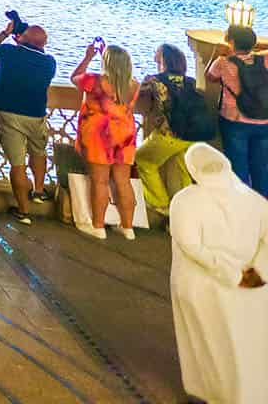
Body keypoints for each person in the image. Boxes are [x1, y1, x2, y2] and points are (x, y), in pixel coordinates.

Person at [167, 143, 268, 404]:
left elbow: (189, 244)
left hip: (201, 284)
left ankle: (210, 394)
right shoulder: (255, 201)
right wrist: (256, 274)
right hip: (252, 284)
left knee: (207, 343)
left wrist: (229, 272)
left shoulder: (185, 200)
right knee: (246, 342)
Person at [0, 19, 59, 223]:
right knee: (39, 151)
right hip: (37, 115)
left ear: (23, 39)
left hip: (9, 115)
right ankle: (39, 190)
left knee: (17, 165)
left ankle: (24, 211)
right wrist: (22, 40)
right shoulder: (49, 62)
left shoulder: (9, 52)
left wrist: (6, 33)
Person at [71, 39, 141, 239]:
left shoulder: (93, 81)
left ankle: (98, 226)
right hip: (125, 136)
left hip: (99, 137)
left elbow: (74, 77)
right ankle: (128, 228)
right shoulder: (134, 85)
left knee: (100, 182)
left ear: (106, 63)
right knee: (123, 181)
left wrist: (89, 56)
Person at [136, 43, 217, 213]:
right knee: (183, 174)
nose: (155, 57)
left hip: (170, 134)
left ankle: (161, 204)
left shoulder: (154, 80)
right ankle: (185, 211)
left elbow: (137, 98)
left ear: (163, 59)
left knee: (143, 160)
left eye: (157, 54)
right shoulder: (190, 81)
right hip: (192, 136)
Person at [207, 24, 268, 195]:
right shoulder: (264, 59)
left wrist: (216, 53)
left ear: (231, 42)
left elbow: (209, 77)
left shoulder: (223, 62)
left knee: (238, 168)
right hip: (264, 120)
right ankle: (263, 210)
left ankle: (241, 209)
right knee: (262, 169)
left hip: (235, 120)